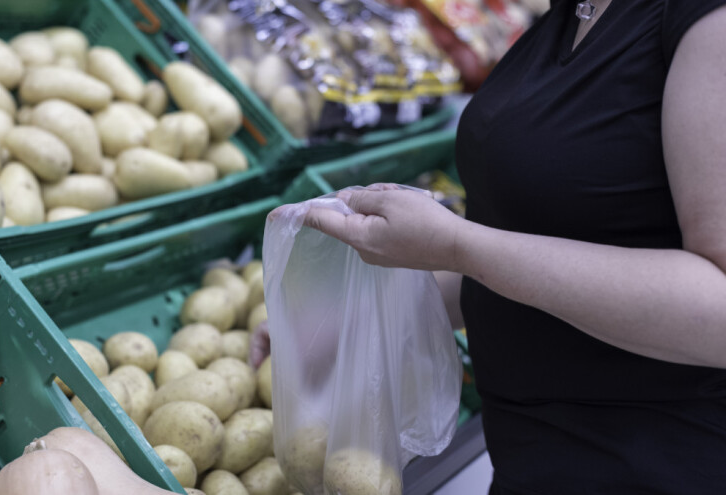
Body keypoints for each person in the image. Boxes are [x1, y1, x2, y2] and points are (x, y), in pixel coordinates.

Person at [302, 0, 726, 493]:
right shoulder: (571, 14)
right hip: (534, 459)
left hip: (654, 466)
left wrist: (459, 244)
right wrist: (350, 320)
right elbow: (538, 243)